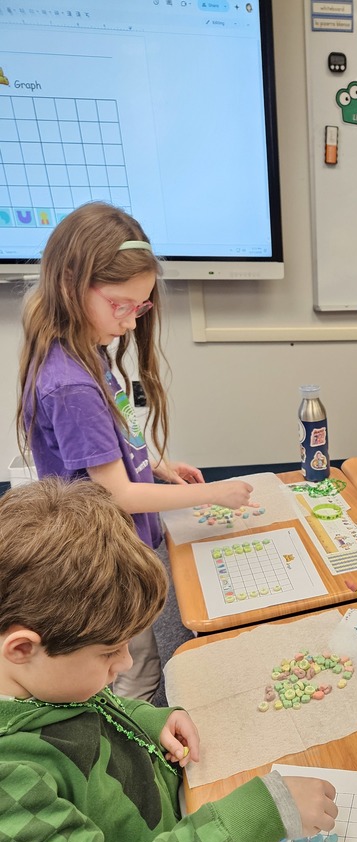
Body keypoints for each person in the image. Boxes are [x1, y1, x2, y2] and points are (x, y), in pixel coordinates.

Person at [0, 477, 338, 842]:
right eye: (110, 653)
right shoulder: (8, 784)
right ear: (23, 647)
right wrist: (248, 817)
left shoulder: (31, 682)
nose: (127, 667)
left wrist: (146, 718)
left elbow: (79, 715)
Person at [16, 201, 254, 701]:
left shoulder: (88, 344)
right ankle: (142, 755)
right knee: (134, 670)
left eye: (140, 306)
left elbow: (114, 438)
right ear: (69, 286)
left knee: (134, 656)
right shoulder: (71, 383)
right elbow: (118, 495)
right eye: (119, 304)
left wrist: (158, 466)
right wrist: (211, 494)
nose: (130, 321)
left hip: (117, 543)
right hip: (105, 555)